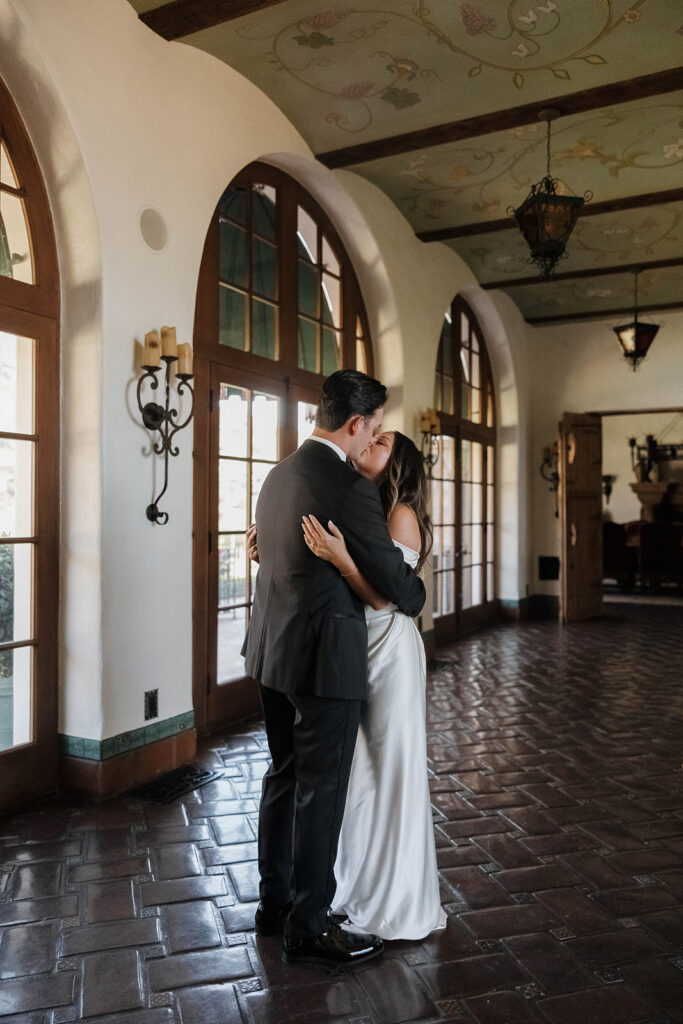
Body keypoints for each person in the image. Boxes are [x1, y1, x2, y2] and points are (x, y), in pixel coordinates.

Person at [241, 369, 426, 967]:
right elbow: (401, 589)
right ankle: (308, 925)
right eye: (371, 428)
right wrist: (413, 589)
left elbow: (272, 555)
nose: (371, 437)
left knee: (283, 776)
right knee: (322, 791)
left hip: (272, 654)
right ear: (354, 423)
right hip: (324, 662)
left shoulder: (279, 474)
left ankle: (273, 905)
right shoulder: (346, 488)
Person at [300, 430, 447, 940]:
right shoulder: (361, 503)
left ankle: (396, 899)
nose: (369, 441)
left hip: (389, 648)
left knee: (389, 771)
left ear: (398, 462)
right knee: (362, 774)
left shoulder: (401, 513)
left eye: (382, 441)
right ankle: (358, 886)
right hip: (358, 645)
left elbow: (388, 598)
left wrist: (341, 560)